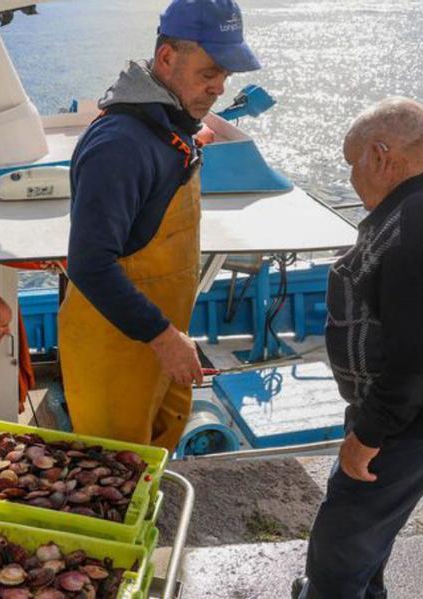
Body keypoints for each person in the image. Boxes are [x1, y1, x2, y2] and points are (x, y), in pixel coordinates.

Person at [293, 97, 423, 599]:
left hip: (413, 420)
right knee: (371, 529)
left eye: (352, 164)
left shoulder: (416, 228)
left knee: (342, 536)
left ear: (381, 155)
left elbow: (417, 357)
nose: (351, 179)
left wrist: (367, 435)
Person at [59, 0, 260, 451]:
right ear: (167, 58)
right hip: (115, 350)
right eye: (209, 73)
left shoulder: (172, 126)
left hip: (159, 345)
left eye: (224, 78)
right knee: (112, 477)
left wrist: (166, 341)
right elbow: (89, 264)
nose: (218, 90)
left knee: (155, 460)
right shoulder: (120, 145)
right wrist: (162, 337)